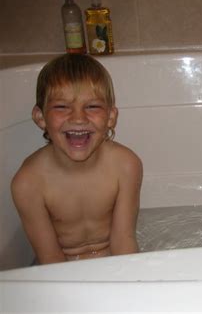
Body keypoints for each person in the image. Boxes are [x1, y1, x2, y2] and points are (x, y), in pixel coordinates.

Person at [11, 54, 143, 264]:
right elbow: (50, 259)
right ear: (40, 117)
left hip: (112, 260)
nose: (78, 118)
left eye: (92, 107)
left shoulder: (125, 165)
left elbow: (123, 242)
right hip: (59, 267)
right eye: (62, 107)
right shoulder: (28, 183)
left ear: (110, 117)